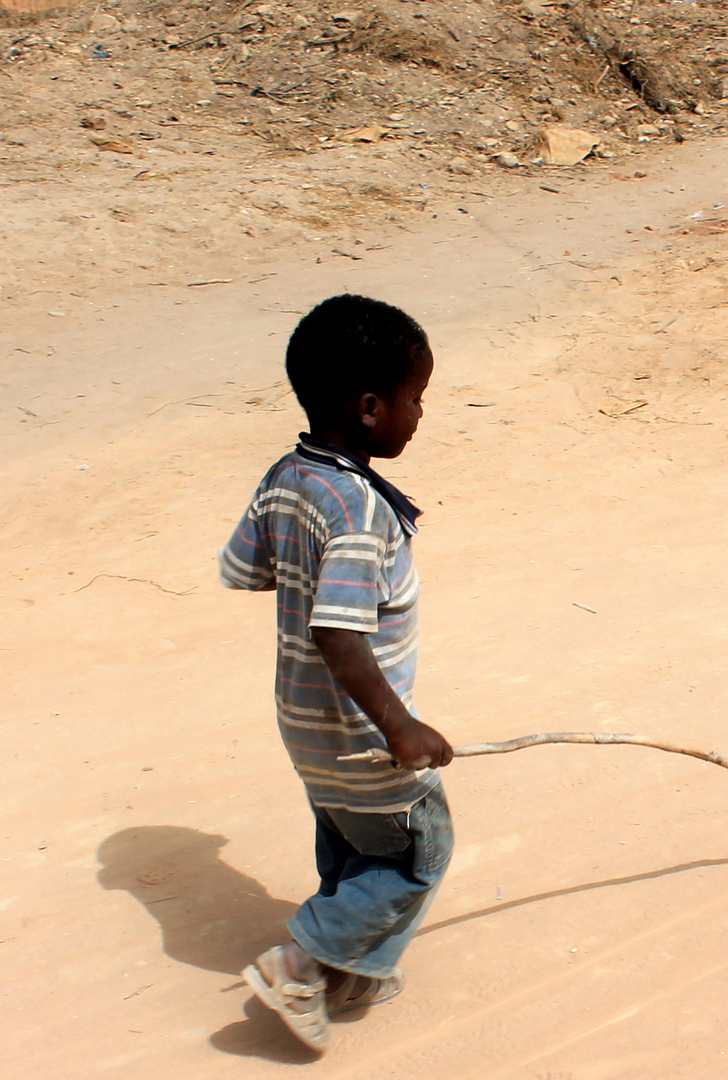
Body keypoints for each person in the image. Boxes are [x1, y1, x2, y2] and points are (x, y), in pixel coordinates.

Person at [219, 293, 455, 1053]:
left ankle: (348, 964)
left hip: (303, 720)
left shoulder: (288, 476)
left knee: (355, 845)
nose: (418, 414)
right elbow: (338, 630)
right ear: (367, 407)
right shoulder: (358, 509)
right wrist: (400, 725)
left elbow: (244, 569)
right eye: (413, 399)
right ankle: (299, 963)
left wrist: (300, 560)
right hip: (361, 730)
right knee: (417, 852)